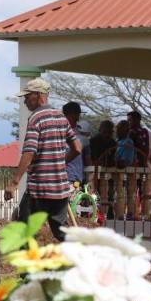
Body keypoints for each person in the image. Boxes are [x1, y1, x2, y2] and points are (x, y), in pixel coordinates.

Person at [7, 78, 82, 241]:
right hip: (60, 189)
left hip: (39, 189)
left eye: (27, 96)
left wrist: (14, 183)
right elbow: (77, 148)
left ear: (38, 94)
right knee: (61, 232)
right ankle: (80, 259)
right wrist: (60, 163)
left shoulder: (36, 118)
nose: (25, 101)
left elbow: (29, 152)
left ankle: (28, 266)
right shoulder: (61, 118)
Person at [61, 102, 90, 185]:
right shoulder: (57, 134)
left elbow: (88, 160)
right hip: (59, 178)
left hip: (76, 180)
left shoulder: (83, 137)